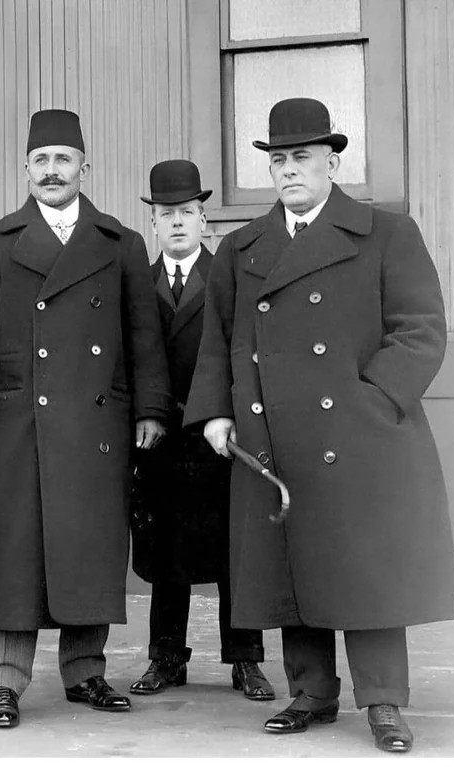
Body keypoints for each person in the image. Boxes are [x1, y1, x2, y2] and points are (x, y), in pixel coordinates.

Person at [184, 98, 454, 753]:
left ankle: (383, 699)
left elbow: (419, 332)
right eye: (277, 159)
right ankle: (310, 690)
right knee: (288, 567)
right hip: (271, 434)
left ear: (333, 161)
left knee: (364, 573)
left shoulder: (385, 233)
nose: (287, 170)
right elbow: (216, 342)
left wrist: (373, 402)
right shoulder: (242, 249)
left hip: (360, 437)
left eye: (300, 157)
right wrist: (216, 412)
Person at [0, 109, 170, 729]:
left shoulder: (120, 243)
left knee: (87, 544)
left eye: (63, 159)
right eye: (41, 160)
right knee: (14, 549)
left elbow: (143, 337)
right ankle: (4, 682)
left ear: (83, 169)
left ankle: (85, 672)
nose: (52, 171)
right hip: (19, 422)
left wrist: (149, 407)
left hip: (98, 424)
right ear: (27, 169)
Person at [128, 160, 274, 702]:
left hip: (220, 433)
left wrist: (232, 414)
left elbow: (242, 353)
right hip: (159, 437)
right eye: (167, 214)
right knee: (166, 552)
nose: (178, 223)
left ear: (205, 220)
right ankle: (165, 657)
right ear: (154, 224)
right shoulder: (138, 283)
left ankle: (246, 661)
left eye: (188, 212)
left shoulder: (225, 278)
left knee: (234, 550)